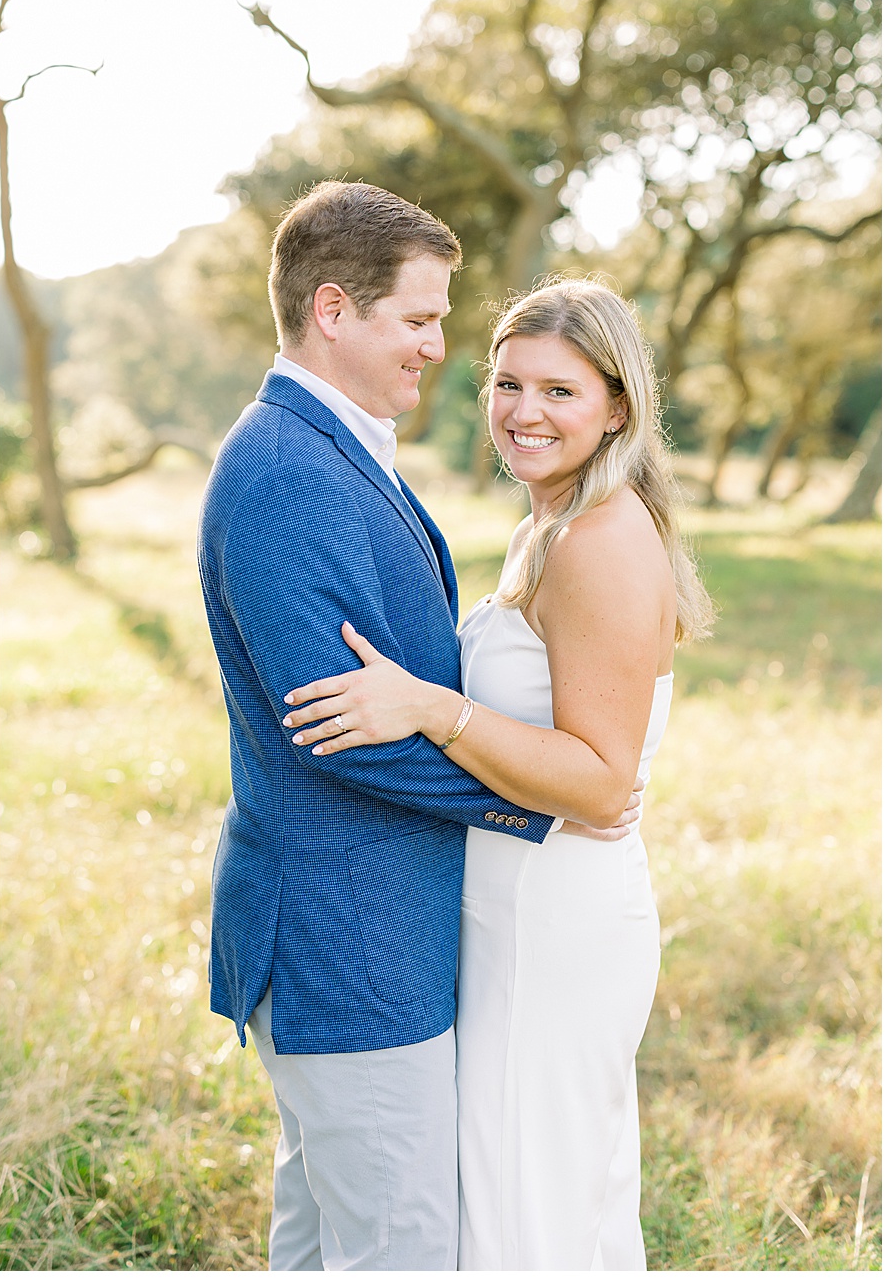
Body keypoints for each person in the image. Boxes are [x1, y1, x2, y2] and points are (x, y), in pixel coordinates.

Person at [197, 181, 637, 1270]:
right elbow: (339, 726)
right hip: (349, 944)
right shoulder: (285, 474)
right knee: (401, 1251)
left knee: (327, 1243)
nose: (442, 348)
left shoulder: (334, 448)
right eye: (422, 318)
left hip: (391, 931)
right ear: (335, 309)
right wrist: (550, 794)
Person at [282, 277, 712, 1268]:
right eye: (509, 384)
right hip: (511, 908)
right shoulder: (551, 526)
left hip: (553, 927)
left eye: (560, 392)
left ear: (617, 406)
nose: (525, 411)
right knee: (547, 1201)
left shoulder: (601, 542)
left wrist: (437, 709)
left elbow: (602, 783)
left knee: (530, 1215)